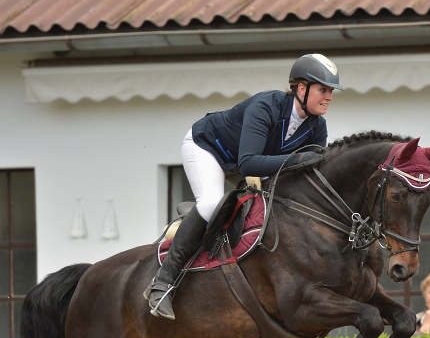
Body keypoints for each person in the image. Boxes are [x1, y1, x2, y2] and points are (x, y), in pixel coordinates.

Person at [146, 53, 343, 320]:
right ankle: (162, 283)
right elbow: (249, 163)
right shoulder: (266, 106)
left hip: (241, 164)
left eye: (330, 91)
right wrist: (297, 159)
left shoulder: (317, 127)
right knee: (211, 203)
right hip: (208, 148)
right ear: (301, 88)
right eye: (323, 89)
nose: (329, 96)